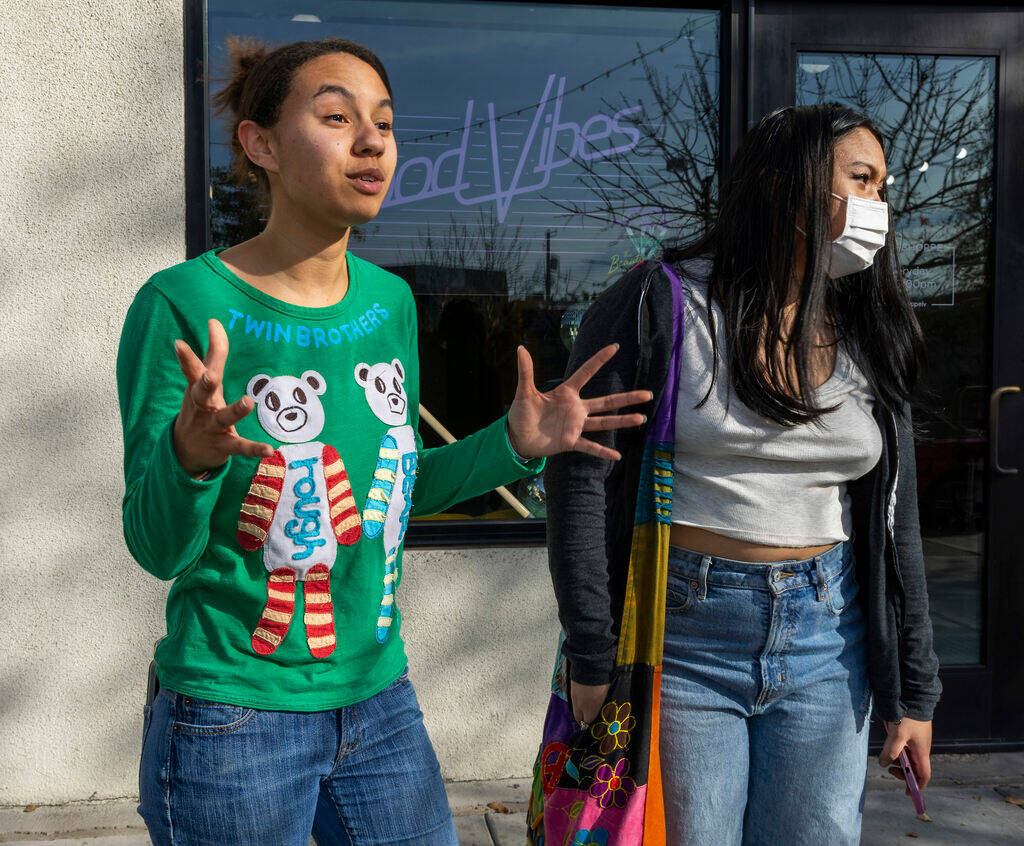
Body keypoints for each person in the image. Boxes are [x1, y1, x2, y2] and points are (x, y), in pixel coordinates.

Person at [117, 36, 651, 846]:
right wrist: (189, 459)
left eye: (386, 123)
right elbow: (158, 549)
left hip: (379, 700)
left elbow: (390, 494)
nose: (373, 141)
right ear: (259, 144)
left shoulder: (391, 302)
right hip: (234, 715)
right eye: (336, 117)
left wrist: (513, 441)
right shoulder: (182, 305)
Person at [530, 103, 941, 846]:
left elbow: (895, 519)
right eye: (862, 180)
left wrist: (915, 691)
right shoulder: (660, 302)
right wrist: (593, 653)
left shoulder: (867, 326)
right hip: (682, 636)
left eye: (884, 187)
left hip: (830, 635)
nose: (879, 206)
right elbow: (580, 481)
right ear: (791, 183)